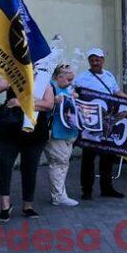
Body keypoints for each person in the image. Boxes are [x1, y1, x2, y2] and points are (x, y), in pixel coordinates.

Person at [0, 74, 53, 220]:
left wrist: (21, 102)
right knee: (4, 165)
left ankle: (27, 206)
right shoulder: (12, 77)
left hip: (35, 133)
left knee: (30, 168)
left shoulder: (43, 81)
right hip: (10, 131)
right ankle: (5, 206)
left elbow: (48, 104)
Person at [72, 48, 127, 199]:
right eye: (92, 60)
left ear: (103, 60)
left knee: (108, 156)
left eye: (97, 59)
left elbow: (116, 92)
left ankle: (107, 188)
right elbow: (74, 93)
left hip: (108, 121)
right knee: (88, 157)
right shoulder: (82, 77)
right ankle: (87, 190)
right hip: (90, 123)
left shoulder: (109, 75)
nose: (95, 62)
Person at [43, 65, 80, 208]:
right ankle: (58, 196)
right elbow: (44, 106)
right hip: (56, 132)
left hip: (67, 132)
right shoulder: (50, 88)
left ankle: (60, 193)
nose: (70, 82)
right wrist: (55, 100)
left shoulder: (67, 88)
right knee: (58, 163)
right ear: (59, 76)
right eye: (68, 79)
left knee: (63, 163)